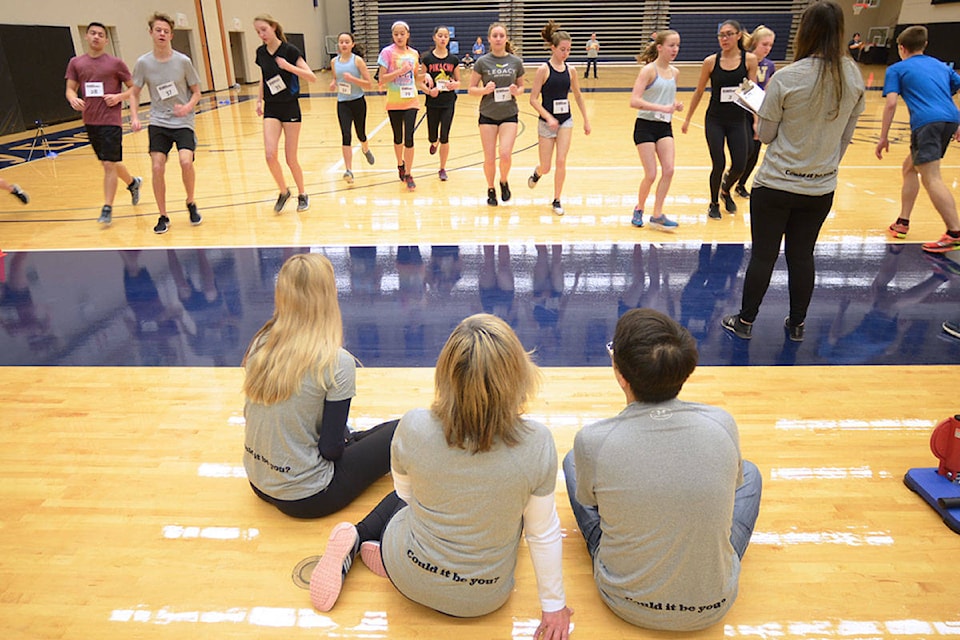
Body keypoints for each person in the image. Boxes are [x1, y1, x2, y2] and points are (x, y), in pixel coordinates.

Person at [309, 314, 573, 640]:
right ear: (517, 375)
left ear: (445, 373)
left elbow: (405, 497)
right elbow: (543, 533)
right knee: (518, 514)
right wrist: (554, 606)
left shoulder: (414, 425)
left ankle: (362, 539)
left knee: (417, 498)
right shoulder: (537, 442)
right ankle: (383, 551)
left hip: (410, 575)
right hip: (483, 598)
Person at [564, 308, 761, 631]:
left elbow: (592, 503)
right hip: (714, 605)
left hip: (624, 600)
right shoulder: (722, 423)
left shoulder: (593, 440)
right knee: (750, 473)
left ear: (620, 375)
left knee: (573, 461)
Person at [721, 1, 865, 342]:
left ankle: (745, 322)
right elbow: (846, 136)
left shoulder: (787, 77)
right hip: (820, 186)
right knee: (802, 256)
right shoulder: (853, 76)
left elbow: (766, 135)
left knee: (764, 255)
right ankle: (797, 324)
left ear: (805, 32)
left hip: (776, 184)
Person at [242, 253, 398, 519]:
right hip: (306, 497)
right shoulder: (336, 362)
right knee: (401, 429)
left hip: (258, 482)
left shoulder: (262, 341)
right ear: (327, 296)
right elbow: (331, 450)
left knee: (355, 434)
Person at [875, 25, 960, 254]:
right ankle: (903, 222)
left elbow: (891, 103)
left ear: (901, 48)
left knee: (931, 176)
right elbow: (954, 88)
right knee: (910, 168)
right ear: (925, 45)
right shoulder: (941, 66)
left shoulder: (897, 69)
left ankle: (954, 233)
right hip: (950, 119)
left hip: (926, 123)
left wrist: (883, 137)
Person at [130, 12, 202, 235]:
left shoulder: (183, 61)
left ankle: (190, 202)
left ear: (171, 34)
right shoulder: (143, 63)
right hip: (159, 121)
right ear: (151, 33)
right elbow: (134, 92)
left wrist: (188, 107)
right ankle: (163, 215)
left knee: (185, 162)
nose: (162, 34)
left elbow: (197, 92)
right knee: (157, 166)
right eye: (158, 30)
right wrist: (133, 116)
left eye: (166, 31)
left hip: (183, 121)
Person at [65, 21, 142, 226]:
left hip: (111, 121)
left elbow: (134, 89)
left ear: (106, 40)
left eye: (100, 34)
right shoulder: (76, 63)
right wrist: (72, 98)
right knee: (110, 163)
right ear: (86, 37)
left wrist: (118, 98)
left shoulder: (116, 64)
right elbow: (70, 89)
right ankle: (133, 183)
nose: (96, 37)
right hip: (90, 121)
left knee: (108, 164)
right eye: (93, 33)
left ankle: (107, 207)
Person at [682, 20, 758, 220]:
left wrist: (757, 120)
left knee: (740, 164)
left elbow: (752, 92)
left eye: (729, 34)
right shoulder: (711, 62)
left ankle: (726, 190)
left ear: (738, 35)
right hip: (715, 120)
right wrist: (688, 119)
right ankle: (714, 202)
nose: (724, 39)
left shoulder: (749, 60)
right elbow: (699, 91)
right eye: (721, 35)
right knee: (719, 163)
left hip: (738, 120)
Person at [254, 15, 316, 213]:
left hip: (290, 106)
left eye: (264, 29)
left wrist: (289, 67)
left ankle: (302, 193)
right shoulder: (261, 53)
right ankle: (283, 191)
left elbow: (312, 77)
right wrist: (258, 99)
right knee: (270, 154)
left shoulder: (290, 50)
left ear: (273, 27)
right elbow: (264, 77)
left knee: (291, 158)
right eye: (257, 31)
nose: (261, 34)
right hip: (271, 108)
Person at [527, 21, 591, 216]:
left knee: (561, 161)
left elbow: (578, 95)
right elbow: (533, 99)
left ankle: (556, 199)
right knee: (546, 166)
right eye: (562, 49)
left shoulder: (571, 71)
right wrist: (548, 117)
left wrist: (586, 120)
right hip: (546, 123)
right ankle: (537, 173)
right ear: (553, 48)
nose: (566, 53)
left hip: (565, 121)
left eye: (569, 50)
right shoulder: (543, 70)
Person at [628, 30, 683, 230]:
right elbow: (634, 101)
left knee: (669, 169)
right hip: (645, 126)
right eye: (671, 45)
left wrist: (675, 104)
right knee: (651, 174)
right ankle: (639, 208)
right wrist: (662, 108)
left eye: (677, 45)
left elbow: (665, 97)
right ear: (660, 47)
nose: (675, 49)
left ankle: (657, 214)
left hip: (664, 126)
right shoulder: (649, 71)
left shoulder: (675, 73)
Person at [469, 23, 525, 207]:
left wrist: (517, 91)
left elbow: (522, 87)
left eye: (502, 35)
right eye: (495, 36)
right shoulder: (482, 62)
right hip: (487, 114)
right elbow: (471, 89)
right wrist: (484, 90)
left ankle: (503, 180)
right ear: (489, 39)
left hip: (509, 113)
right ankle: (491, 187)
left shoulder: (515, 62)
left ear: (506, 38)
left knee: (506, 154)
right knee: (490, 157)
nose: (499, 38)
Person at [378, 21, 423, 192]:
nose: (399, 37)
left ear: (408, 34)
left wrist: (426, 79)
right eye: (396, 34)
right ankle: (400, 164)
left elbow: (415, 77)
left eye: (402, 33)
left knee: (409, 137)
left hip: (411, 100)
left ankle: (409, 173)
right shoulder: (387, 53)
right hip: (394, 101)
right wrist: (399, 71)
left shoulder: (414, 54)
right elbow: (382, 79)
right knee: (398, 137)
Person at [734, 25, 776, 199]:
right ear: (754, 44)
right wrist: (755, 119)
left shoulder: (770, 65)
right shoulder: (744, 61)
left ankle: (741, 184)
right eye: (764, 44)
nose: (767, 49)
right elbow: (744, 90)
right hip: (743, 111)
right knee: (746, 151)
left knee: (755, 153)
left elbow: (768, 89)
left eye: (771, 45)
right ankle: (730, 179)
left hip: (760, 111)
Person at [331, 32, 375, 185]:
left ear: (352, 44)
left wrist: (353, 79)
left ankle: (365, 149)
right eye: (341, 41)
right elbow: (336, 78)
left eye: (346, 41)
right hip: (342, 102)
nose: (343, 44)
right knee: (346, 135)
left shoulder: (358, 61)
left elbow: (369, 84)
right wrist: (333, 83)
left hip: (358, 101)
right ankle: (348, 170)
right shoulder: (334, 61)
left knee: (360, 133)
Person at [421, 26, 461, 182]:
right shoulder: (427, 59)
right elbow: (420, 83)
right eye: (440, 35)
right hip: (432, 103)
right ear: (434, 38)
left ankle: (442, 168)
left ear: (448, 39)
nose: (443, 38)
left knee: (445, 136)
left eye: (446, 36)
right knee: (432, 135)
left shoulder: (453, 60)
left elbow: (458, 82)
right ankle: (433, 141)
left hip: (448, 102)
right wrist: (429, 91)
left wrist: (454, 85)